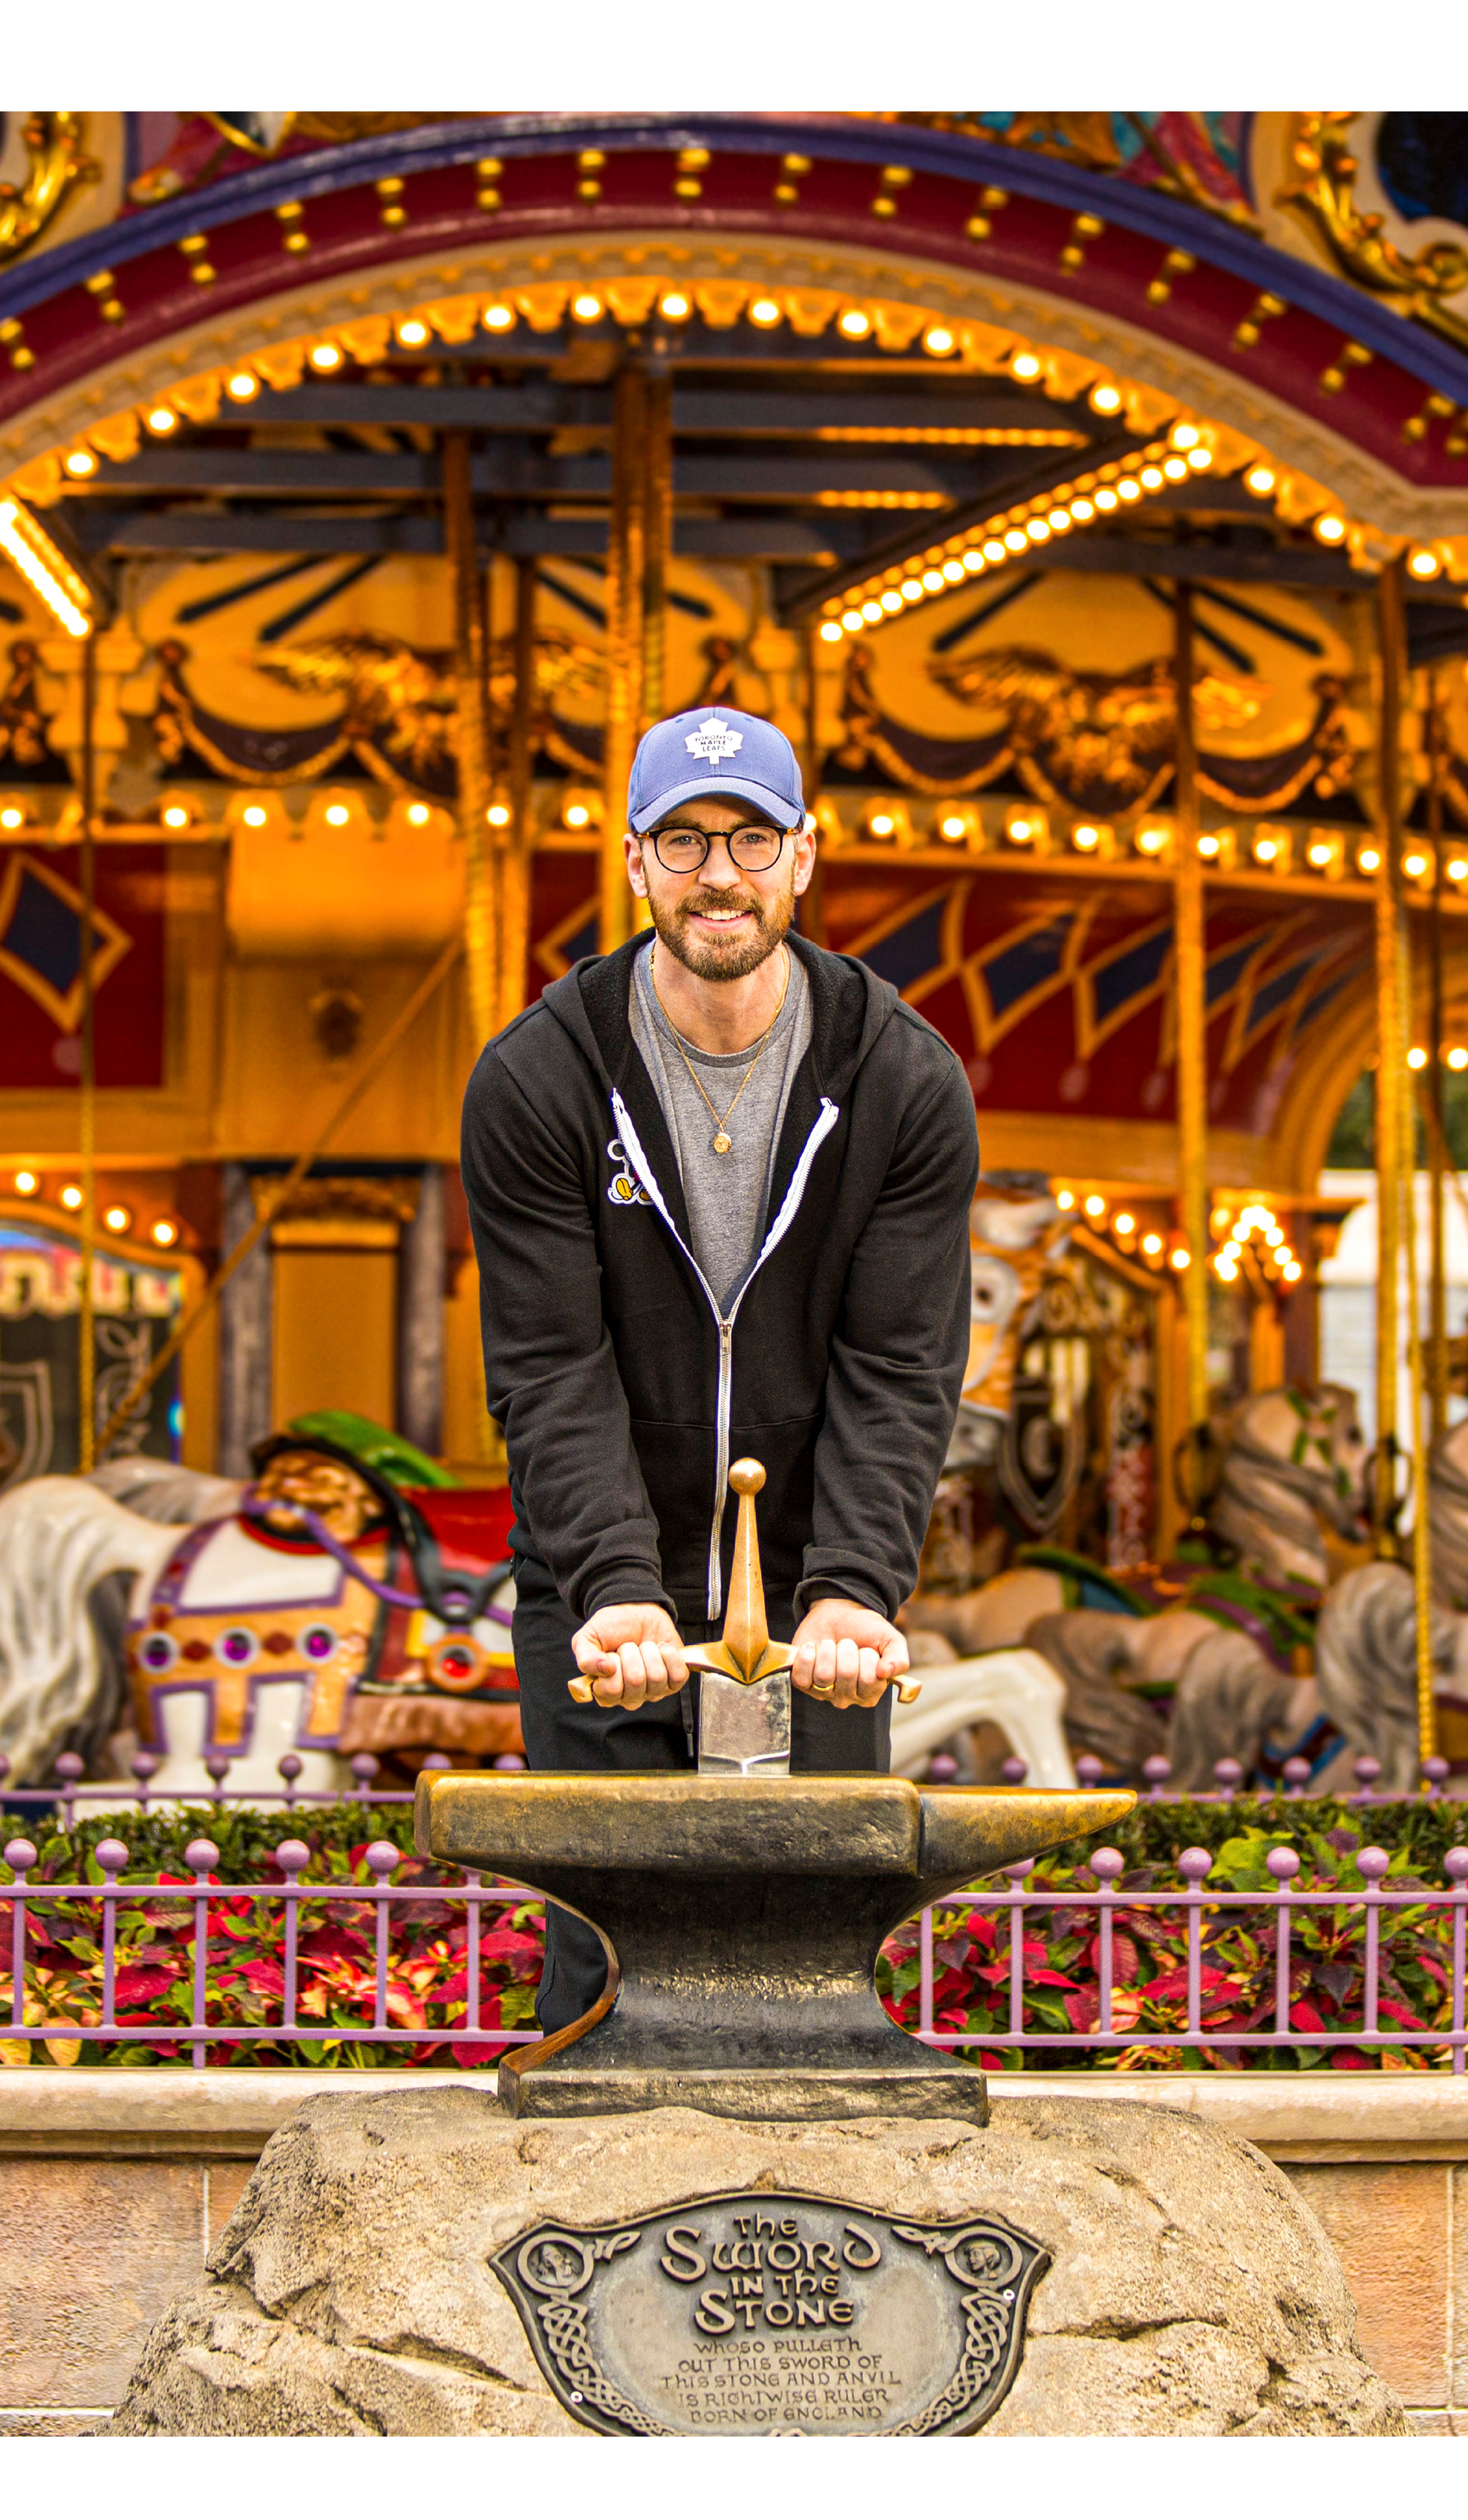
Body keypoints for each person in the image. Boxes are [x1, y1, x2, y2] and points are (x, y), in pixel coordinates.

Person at [460, 703, 979, 2029]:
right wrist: (619, 1587)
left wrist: (857, 1585)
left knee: (812, 1977)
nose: (718, 875)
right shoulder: (540, 1079)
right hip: (602, 1591)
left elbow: (901, 1367)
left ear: (804, 855)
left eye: (749, 837)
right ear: (634, 864)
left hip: (817, 1612)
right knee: (603, 1980)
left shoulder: (904, 1081)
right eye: (683, 841)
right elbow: (549, 1365)